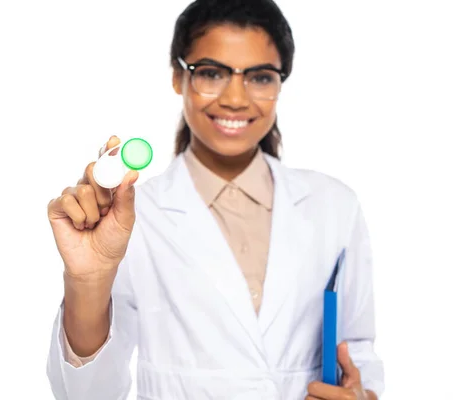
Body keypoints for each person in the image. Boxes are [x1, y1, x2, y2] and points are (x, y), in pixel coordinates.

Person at [46, 0, 385, 398]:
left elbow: (358, 351)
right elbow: (87, 394)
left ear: (280, 84)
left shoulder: (334, 206)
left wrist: (363, 395)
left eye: (260, 77)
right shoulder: (131, 219)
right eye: (211, 73)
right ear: (178, 77)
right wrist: (88, 281)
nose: (236, 99)